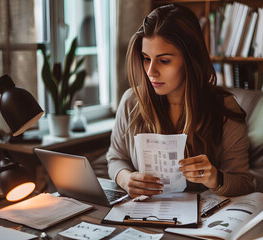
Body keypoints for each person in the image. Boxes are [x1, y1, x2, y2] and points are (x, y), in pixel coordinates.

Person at [106, 4, 254, 198]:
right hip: (145, 215)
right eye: (146, 58)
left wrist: (215, 178)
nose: (151, 72)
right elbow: (116, 157)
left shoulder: (224, 107)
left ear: (190, 59)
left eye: (164, 60)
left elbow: (243, 184)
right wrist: (124, 178)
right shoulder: (131, 102)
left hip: (202, 219)